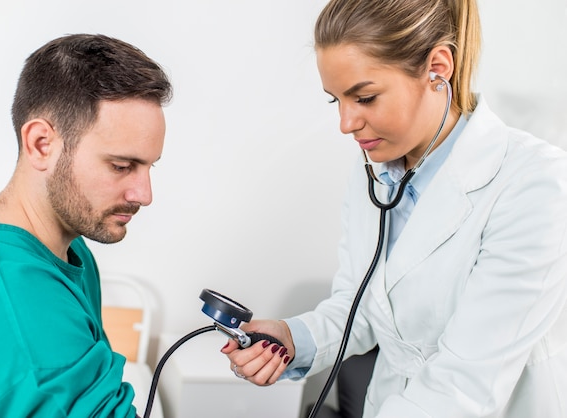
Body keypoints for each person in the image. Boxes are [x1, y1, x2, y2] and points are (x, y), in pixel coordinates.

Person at [221, 0, 567, 417]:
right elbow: (362, 304)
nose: (346, 124)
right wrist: (294, 337)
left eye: (364, 98)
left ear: (438, 67)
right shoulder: (374, 172)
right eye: (336, 101)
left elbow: (466, 380)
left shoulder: (535, 183)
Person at [0, 34, 171, 417]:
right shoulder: (19, 312)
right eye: (121, 166)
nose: (144, 194)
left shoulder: (66, 247)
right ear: (41, 144)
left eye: (150, 166)